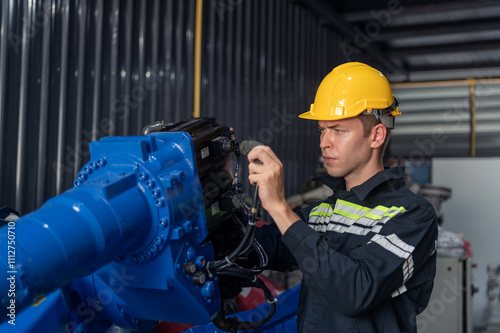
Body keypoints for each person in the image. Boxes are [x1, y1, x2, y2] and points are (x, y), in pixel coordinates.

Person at [247, 62, 438, 332]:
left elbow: (356, 292)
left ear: (376, 135)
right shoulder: (324, 212)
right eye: (322, 129)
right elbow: (265, 249)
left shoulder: (412, 215)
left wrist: (280, 208)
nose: (325, 142)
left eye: (338, 130)